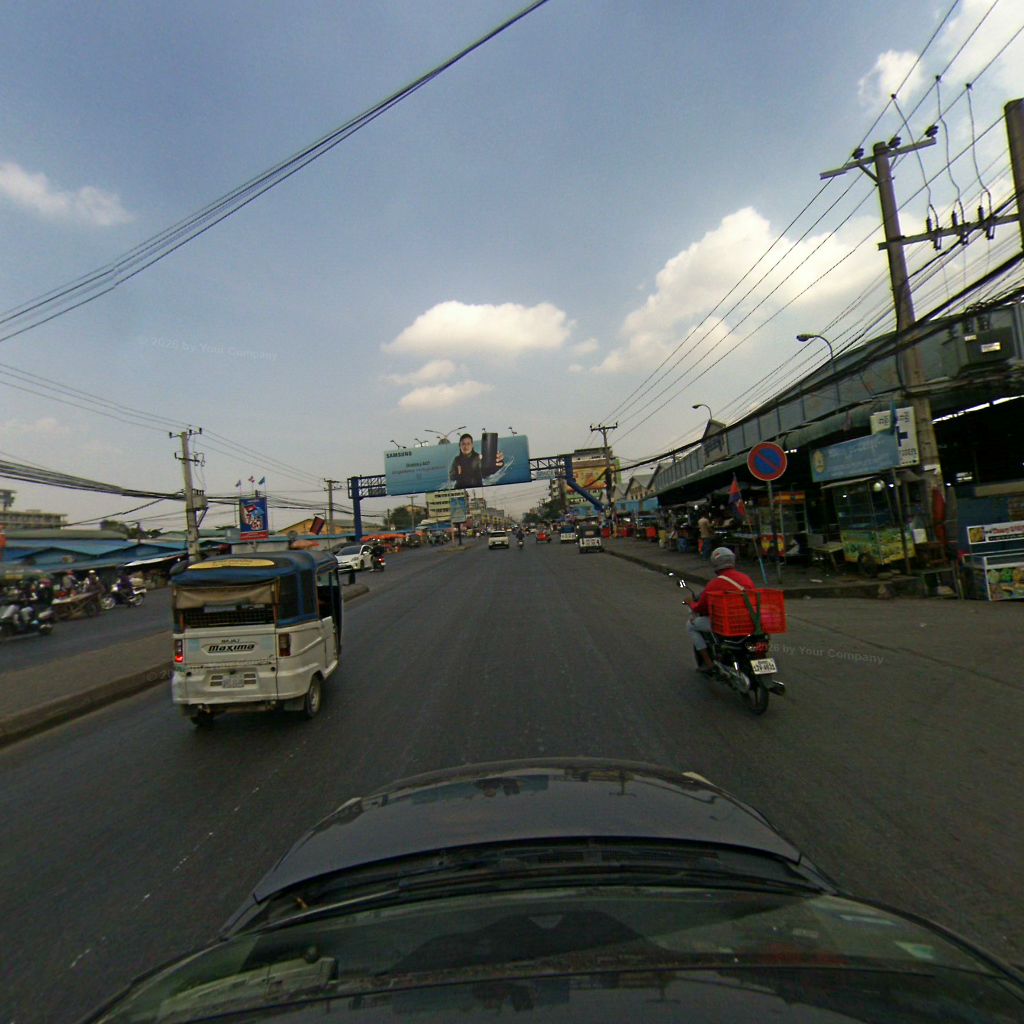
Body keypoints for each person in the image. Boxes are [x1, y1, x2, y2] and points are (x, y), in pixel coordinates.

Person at [687, 547, 756, 673]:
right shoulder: (746, 579)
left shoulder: (715, 584)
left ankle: (709, 663)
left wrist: (691, 604)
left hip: (727, 624)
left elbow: (701, 607)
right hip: (749, 621)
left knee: (691, 625)